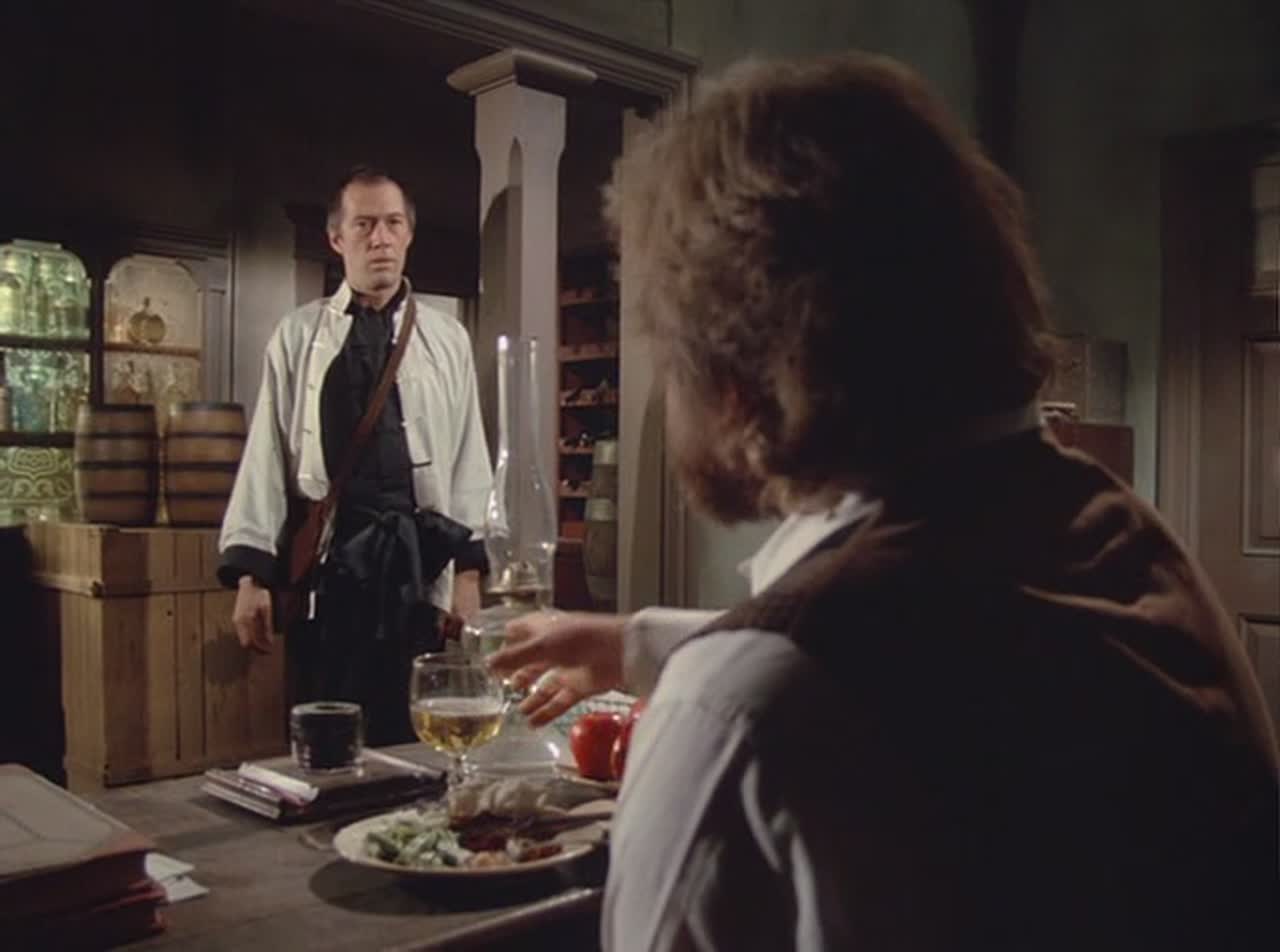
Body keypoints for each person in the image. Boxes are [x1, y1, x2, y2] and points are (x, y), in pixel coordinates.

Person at [490, 54, 1280, 951]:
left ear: (739, 374)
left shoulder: (733, 713)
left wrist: (706, 674)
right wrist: (640, 643)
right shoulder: (1117, 534)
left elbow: (817, 672)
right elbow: (956, 657)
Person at [219, 166, 491, 745]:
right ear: (337, 238)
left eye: (393, 224)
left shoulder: (447, 339)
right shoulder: (298, 335)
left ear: (409, 235)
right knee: (328, 735)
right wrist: (250, 576)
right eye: (364, 225)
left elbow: (470, 456)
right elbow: (266, 454)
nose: (380, 238)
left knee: (416, 737)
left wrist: (468, 576)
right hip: (331, 572)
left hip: (417, 571)